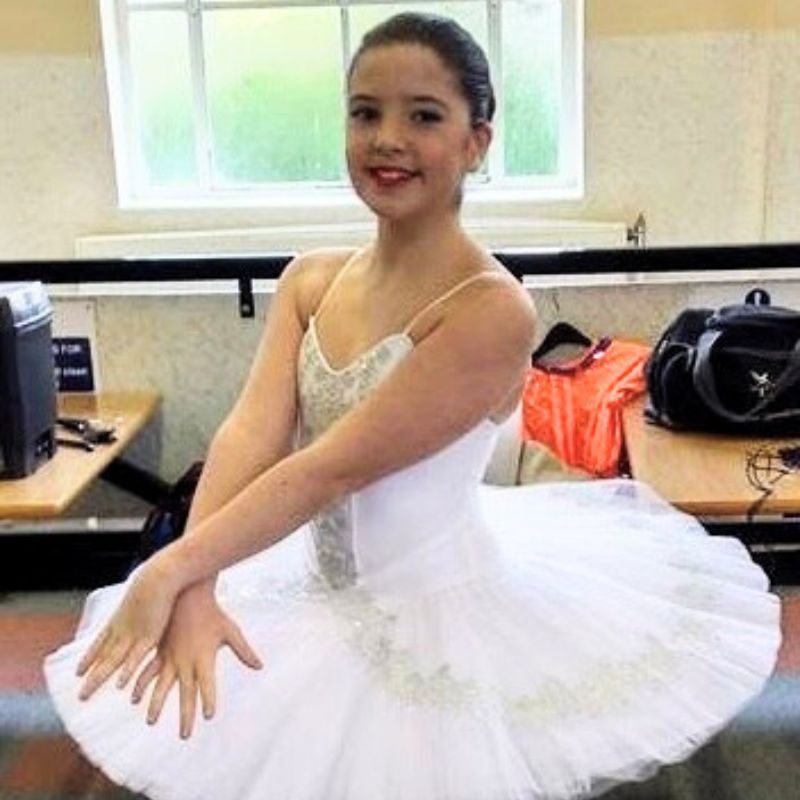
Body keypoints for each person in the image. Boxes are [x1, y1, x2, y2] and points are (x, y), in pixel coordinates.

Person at [45, 12, 781, 800]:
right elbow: (252, 433)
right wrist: (198, 584)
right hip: (306, 582)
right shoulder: (311, 279)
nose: (387, 138)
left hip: (436, 605)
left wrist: (173, 568)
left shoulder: (493, 310)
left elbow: (329, 469)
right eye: (366, 112)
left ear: (477, 141)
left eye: (423, 115)